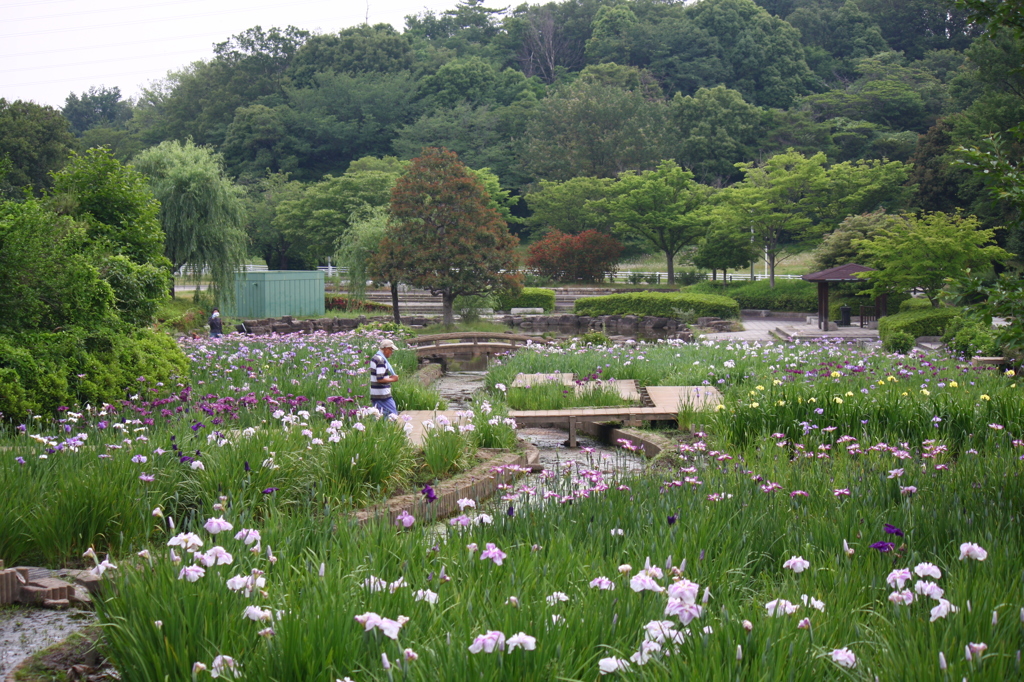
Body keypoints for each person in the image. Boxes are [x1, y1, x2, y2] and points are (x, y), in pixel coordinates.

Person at [369, 339, 399, 417]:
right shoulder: (381, 360)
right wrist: (393, 379)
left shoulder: (375, 357)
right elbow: (380, 379)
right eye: (391, 350)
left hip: (376, 394)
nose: (392, 352)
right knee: (393, 415)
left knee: (379, 416)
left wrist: (388, 377)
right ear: (386, 349)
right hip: (382, 395)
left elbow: (378, 375)